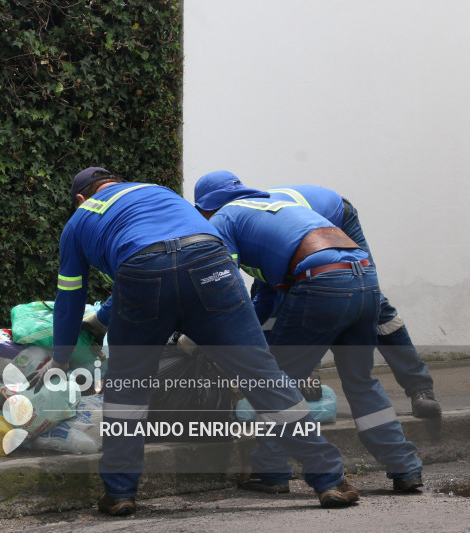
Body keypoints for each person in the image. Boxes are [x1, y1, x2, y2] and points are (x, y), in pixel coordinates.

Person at [32, 166, 364, 515]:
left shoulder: (81, 218)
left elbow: (70, 297)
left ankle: (119, 493)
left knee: (127, 388)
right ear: (118, 182)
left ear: (81, 198)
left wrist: (61, 357)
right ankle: (330, 480)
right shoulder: (158, 190)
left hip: (142, 273)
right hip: (212, 263)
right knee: (263, 375)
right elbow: (183, 252)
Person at [193, 170, 423, 495]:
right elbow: (268, 296)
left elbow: (228, 288)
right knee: (361, 381)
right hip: (364, 279)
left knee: (277, 384)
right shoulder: (275, 204)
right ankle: (405, 467)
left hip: (321, 282)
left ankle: (271, 472)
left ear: (204, 208)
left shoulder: (222, 219)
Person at [251, 184, 440, 418]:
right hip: (302, 232)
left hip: (339, 217)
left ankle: (420, 389)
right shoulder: (256, 245)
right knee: (286, 301)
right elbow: (273, 309)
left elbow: (304, 308)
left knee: (374, 301)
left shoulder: (258, 231)